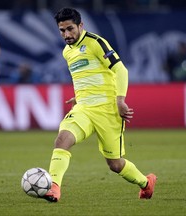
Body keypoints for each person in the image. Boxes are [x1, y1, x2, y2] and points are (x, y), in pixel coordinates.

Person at [43, 8, 157, 202]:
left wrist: (120, 100)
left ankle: (146, 183)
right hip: (84, 110)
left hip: (108, 111)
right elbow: (85, 76)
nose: (66, 35)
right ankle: (54, 188)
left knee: (115, 165)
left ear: (80, 26)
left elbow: (121, 70)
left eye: (70, 29)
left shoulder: (96, 43)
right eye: (62, 30)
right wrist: (79, 97)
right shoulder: (66, 52)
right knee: (62, 140)